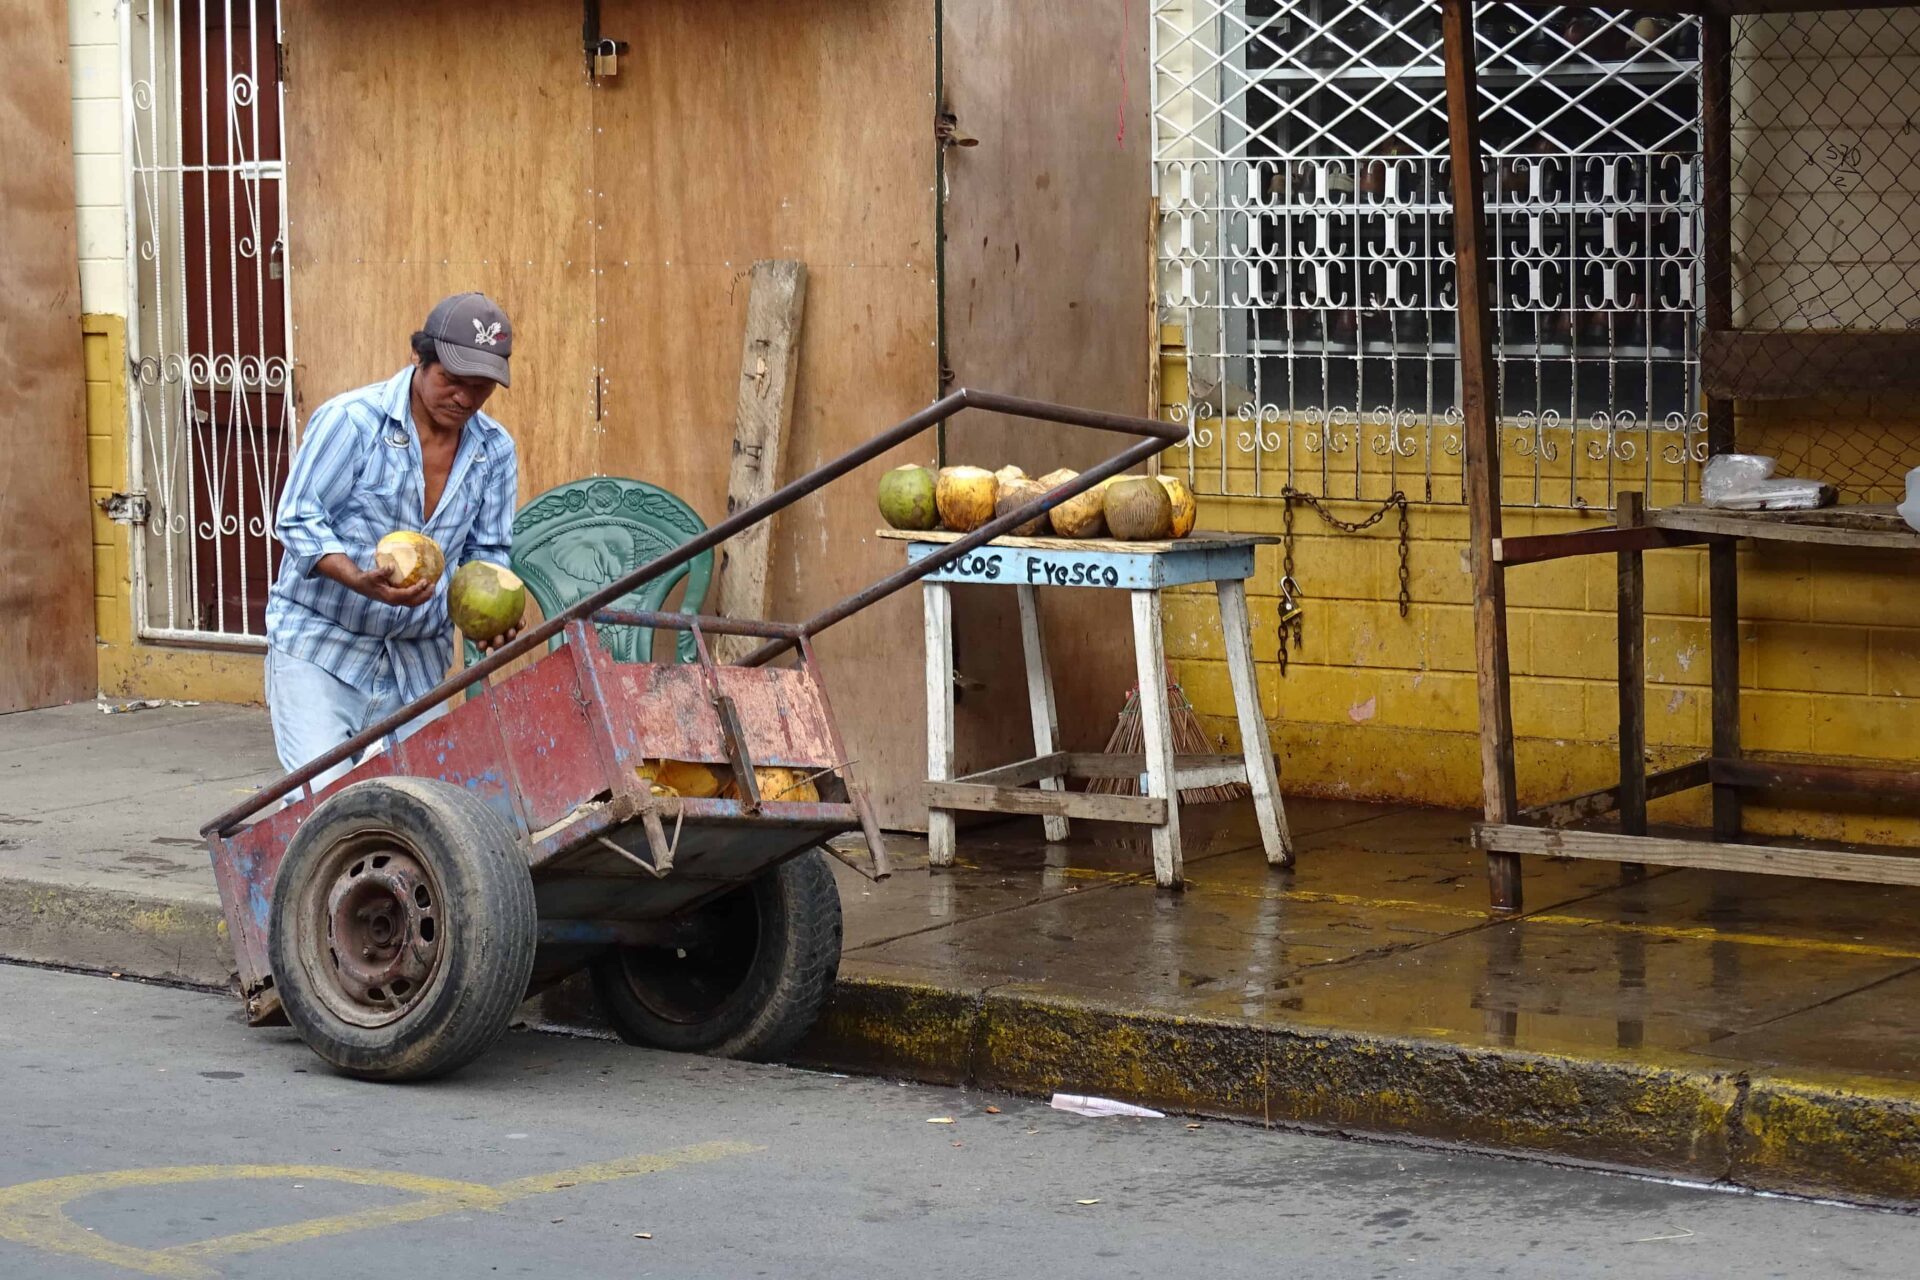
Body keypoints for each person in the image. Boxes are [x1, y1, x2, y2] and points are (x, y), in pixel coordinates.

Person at [264, 292, 522, 791]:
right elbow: (297, 517)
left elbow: (486, 554)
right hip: (323, 647)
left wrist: (488, 617)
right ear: (419, 359)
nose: (465, 399)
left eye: (481, 386)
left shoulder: (495, 451)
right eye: (452, 380)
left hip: (416, 664)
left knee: (426, 811)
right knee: (327, 806)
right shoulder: (352, 422)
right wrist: (358, 579)